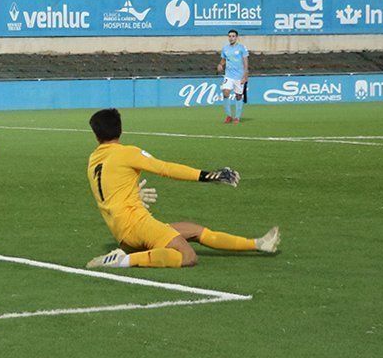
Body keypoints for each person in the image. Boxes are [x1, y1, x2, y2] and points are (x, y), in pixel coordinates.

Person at [84, 108, 280, 269]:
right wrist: (208, 176)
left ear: (96, 134)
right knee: (188, 256)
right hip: (137, 224)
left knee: (195, 231)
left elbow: (107, 192)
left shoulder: (94, 160)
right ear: (121, 130)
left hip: (122, 231)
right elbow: (166, 168)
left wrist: (133, 194)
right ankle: (122, 261)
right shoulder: (127, 153)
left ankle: (258, 244)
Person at [217, 29, 249, 124]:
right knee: (226, 93)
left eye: (233, 36)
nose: (231, 38)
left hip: (239, 76)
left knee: (238, 96)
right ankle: (229, 116)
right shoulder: (225, 48)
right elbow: (223, 59)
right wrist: (220, 64)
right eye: (229, 36)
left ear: (236, 37)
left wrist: (245, 75)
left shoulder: (242, 48)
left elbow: (245, 62)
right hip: (229, 76)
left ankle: (237, 117)